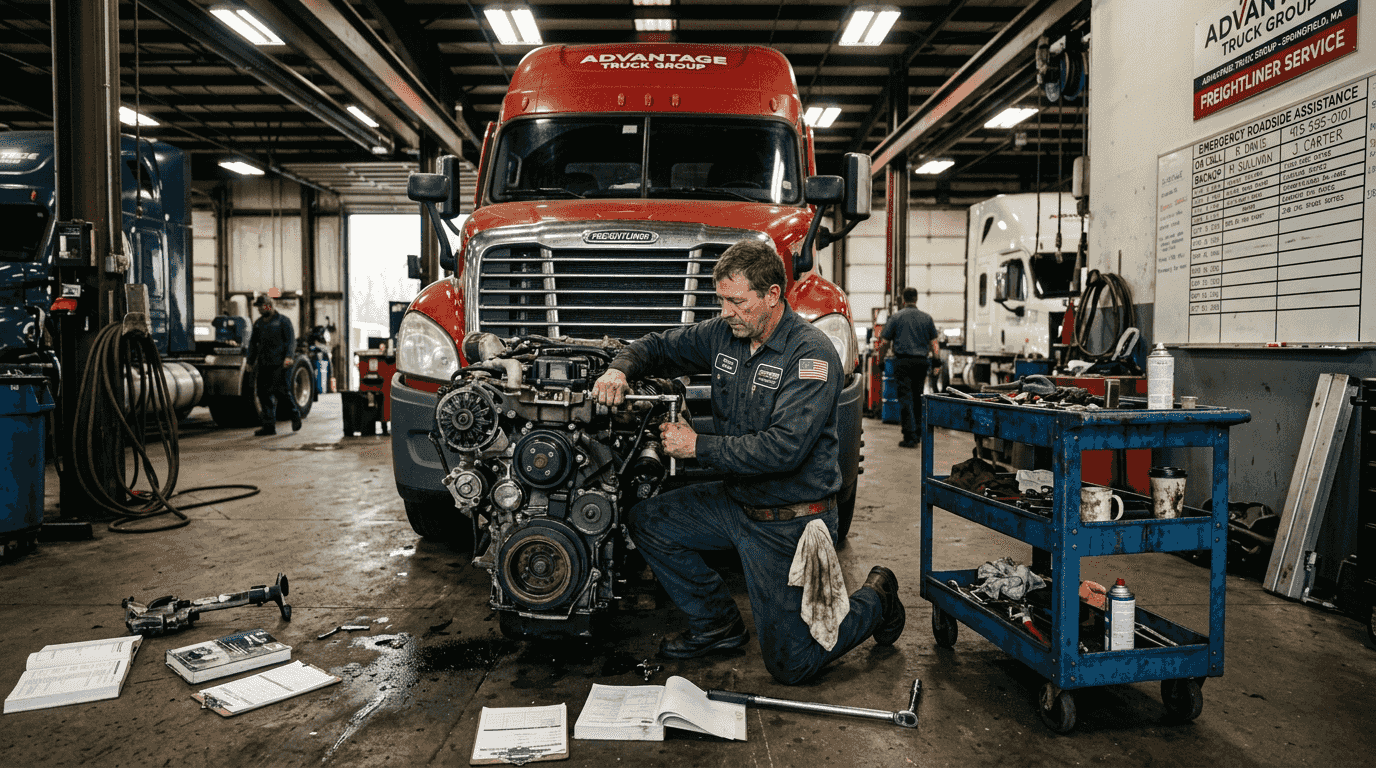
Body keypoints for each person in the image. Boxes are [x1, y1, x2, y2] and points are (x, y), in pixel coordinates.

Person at [591, 239, 904, 685]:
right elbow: (660, 346)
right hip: (737, 500)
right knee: (648, 521)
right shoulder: (725, 334)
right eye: (721, 300)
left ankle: (878, 597)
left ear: (773, 296)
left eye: (736, 301)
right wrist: (619, 369)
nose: (726, 312)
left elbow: (784, 448)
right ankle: (718, 624)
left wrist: (698, 447)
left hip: (790, 519)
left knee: (792, 664)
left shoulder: (810, 355)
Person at [877, 287, 940, 448]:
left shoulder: (896, 317)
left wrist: (881, 360)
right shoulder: (927, 318)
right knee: (918, 397)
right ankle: (918, 432)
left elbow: (884, 342)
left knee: (905, 398)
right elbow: (934, 343)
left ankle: (909, 436)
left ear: (903, 300)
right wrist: (937, 361)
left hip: (903, 362)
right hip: (921, 362)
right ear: (916, 299)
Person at [248, 294, 300, 436]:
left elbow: (291, 341)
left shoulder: (283, 321)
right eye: (258, 307)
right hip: (264, 364)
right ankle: (269, 426)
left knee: (282, 393)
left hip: (280, 364)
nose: (259, 309)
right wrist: (250, 361)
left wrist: (289, 357)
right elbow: (253, 343)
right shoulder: (258, 323)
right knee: (263, 394)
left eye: (261, 306)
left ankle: (295, 415)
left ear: (270, 305)